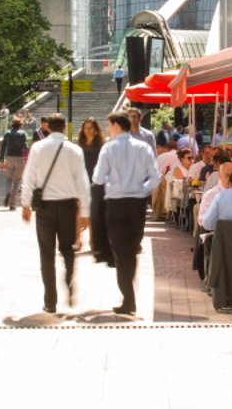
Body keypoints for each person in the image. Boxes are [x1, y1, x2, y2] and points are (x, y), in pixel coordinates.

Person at [20, 114, 90, 315]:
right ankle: (69, 278)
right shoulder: (75, 150)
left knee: (46, 253)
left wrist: (25, 204)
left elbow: (28, 177)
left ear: (48, 127)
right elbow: (82, 181)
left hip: (45, 207)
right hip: (68, 206)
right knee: (68, 248)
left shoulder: (38, 148)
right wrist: (85, 210)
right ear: (65, 127)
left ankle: (50, 300)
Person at [91, 112, 160, 316]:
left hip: (116, 203)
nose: (107, 129)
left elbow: (98, 178)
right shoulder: (143, 147)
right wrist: (140, 190)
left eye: (109, 125)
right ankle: (129, 295)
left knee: (121, 252)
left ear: (116, 125)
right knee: (132, 248)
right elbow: (155, 178)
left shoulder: (109, 148)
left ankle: (128, 298)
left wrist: (112, 184)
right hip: (137, 204)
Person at [77, 118, 109, 263]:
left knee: (94, 213)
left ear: (96, 130)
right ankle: (77, 239)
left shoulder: (102, 146)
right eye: (86, 128)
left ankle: (93, 240)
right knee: (80, 212)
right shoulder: (79, 146)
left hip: (97, 182)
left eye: (91, 128)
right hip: (81, 182)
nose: (88, 130)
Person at [0, 117, 30, 210]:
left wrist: (1, 159)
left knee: (9, 179)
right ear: (20, 125)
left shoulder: (7, 133)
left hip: (9, 158)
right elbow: (25, 147)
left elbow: (3, 147)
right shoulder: (23, 133)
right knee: (17, 181)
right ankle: (12, 204)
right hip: (19, 158)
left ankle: (8, 192)